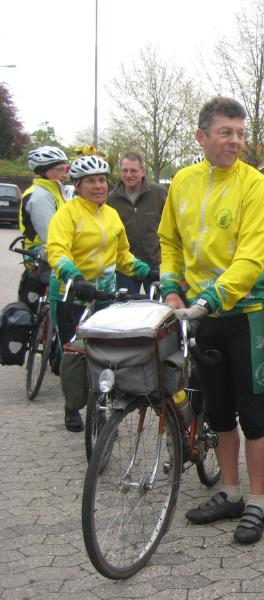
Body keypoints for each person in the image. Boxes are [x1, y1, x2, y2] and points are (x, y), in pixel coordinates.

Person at [158, 96, 264, 545]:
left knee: (252, 412)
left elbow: (250, 259)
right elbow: (169, 240)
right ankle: (229, 492)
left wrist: (208, 298)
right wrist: (172, 288)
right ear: (201, 136)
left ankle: (258, 501)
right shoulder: (184, 182)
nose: (236, 141)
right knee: (219, 411)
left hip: (243, 314)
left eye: (241, 133)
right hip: (196, 312)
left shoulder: (254, 185)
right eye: (226, 132)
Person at [46, 155, 151, 432]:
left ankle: (101, 403)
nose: (98, 186)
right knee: (75, 352)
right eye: (90, 181)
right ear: (78, 185)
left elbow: (122, 255)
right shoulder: (67, 214)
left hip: (104, 292)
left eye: (102, 180)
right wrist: (74, 276)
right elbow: (57, 250)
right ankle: (72, 406)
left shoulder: (111, 214)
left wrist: (146, 270)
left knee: (105, 351)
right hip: (72, 292)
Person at [18, 146, 70, 311]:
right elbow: (50, 234)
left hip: (52, 255)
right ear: (45, 171)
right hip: (42, 258)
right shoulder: (39, 196)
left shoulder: (55, 191)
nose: (65, 174)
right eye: (60, 169)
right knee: (37, 312)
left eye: (66, 168)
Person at [106, 150, 166, 293]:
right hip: (127, 266)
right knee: (126, 307)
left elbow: (171, 224)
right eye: (124, 170)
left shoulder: (159, 193)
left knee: (158, 307)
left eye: (133, 170)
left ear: (143, 171)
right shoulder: (111, 199)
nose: (128, 175)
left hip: (155, 263)